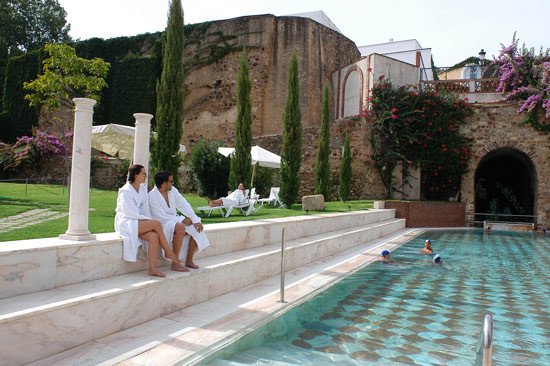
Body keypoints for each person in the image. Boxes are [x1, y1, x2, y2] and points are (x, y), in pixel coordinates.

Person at [115, 164, 188, 278]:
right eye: (143, 173)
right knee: (156, 223)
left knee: (153, 236)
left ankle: (152, 269)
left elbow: (145, 209)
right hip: (127, 222)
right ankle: (168, 251)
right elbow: (129, 212)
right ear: (136, 175)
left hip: (140, 222)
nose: (146, 176)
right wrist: (149, 221)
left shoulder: (143, 189)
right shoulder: (125, 191)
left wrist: (147, 221)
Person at [149, 171, 211, 269]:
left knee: (196, 227)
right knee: (180, 227)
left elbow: (184, 204)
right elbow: (160, 216)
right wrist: (181, 219)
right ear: (164, 183)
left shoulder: (172, 190)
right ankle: (175, 263)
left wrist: (195, 219)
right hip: (162, 223)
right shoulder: (152, 196)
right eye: (171, 181)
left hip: (174, 220)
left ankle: (189, 260)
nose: (173, 183)